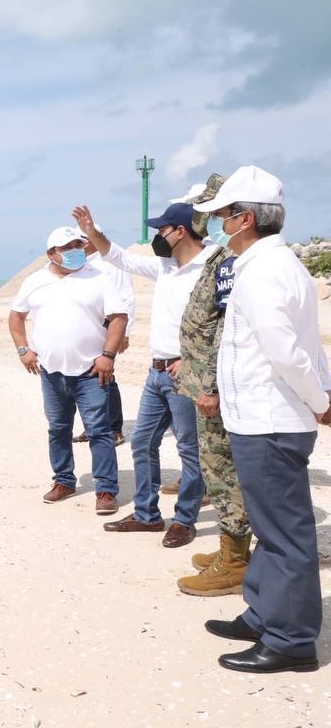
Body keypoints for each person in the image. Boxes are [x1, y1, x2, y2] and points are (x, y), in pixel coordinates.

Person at [192, 165, 331, 674]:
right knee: (271, 527)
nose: (219, 226)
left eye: (223, 216)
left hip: (270, 419)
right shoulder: (271, 265)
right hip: (259, 417)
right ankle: (264, 613)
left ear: (245, 218)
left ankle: (292, 641)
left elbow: (287, 352)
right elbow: (306, 342)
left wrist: (320, 401)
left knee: (284, 533)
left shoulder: (265, 270)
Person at [72, 201, 210, 548]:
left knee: (189, 450)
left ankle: (184, 519)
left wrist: (194, 361)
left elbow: (221, 323)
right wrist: (92, 232)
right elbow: (119, 257)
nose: (157, 236)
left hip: (186, 372)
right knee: (142, 441)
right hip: (157, 372)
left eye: (162, 230)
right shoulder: (166, 266)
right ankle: (147, 515)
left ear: (181, 231)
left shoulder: (211, 266)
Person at [9, 226, 128, 514]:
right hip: (51, 373)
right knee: (58, 429)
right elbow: (16, 315)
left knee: (99, 431)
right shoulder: (35, 281)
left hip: (92, 372)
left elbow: (118, 318)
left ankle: (106, 489)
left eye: (79, 244)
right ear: (52, 253)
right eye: (69, 246)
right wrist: (24, 350)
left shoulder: (98, 277)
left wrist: (107, 356)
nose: (77, 250)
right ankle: (64, 481)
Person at [174, 175, 250, 596]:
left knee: (222, 473)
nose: (204, 218)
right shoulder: (224, 255)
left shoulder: (233, 261)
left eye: (214, 212)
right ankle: (233, 549)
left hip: (215, 391)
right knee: (215, 467)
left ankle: (235, 561)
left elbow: (226, 329)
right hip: (205, 383)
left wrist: (213, 388)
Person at [72, 230, 132, 447]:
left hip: (110, 326)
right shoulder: (79, 265)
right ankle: (93, 426)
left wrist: (125, 332)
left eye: (80, 242)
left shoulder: (111, 264)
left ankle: (115, 428)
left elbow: (127, 296)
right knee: (86, 375)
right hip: (89, 326)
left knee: (107, 375)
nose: (77, 247)